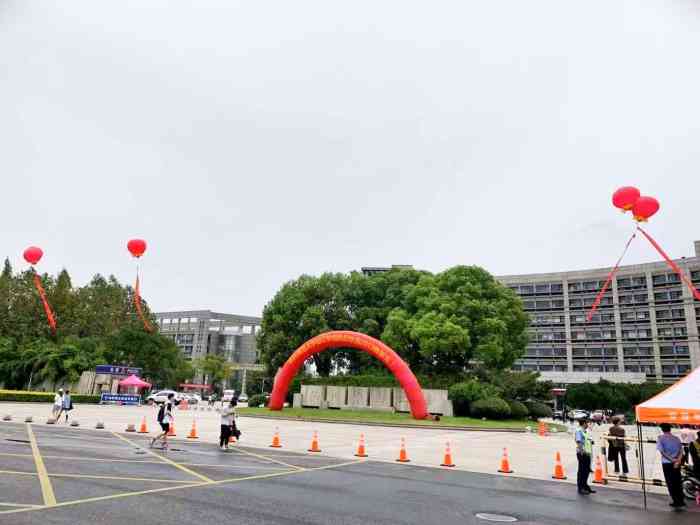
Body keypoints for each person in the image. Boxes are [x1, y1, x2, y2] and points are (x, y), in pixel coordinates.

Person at [657, 423, 685, 509]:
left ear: (662, 429)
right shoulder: (676, 438)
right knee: (677, 481)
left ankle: (676, 501)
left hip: (667, 463)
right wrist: (678, 461)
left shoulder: (660, 438)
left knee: (670, 482)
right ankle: (681, 500)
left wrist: (672, 460)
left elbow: (662, 452)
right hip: (677, 463)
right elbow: (681, 451)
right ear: (670, 429)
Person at [575, 419, 596, 495]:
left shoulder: (585, 431)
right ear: (584, 423)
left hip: (587, 454)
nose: (588, 424)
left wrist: (591, 441)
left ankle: (585, 486)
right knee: (582, 471)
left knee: (586, 471)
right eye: (587, 423)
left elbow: (586, 440)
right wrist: (582, 451)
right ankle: (580, 488)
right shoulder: (579, 431)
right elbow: (578, 441)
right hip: (582, 454)